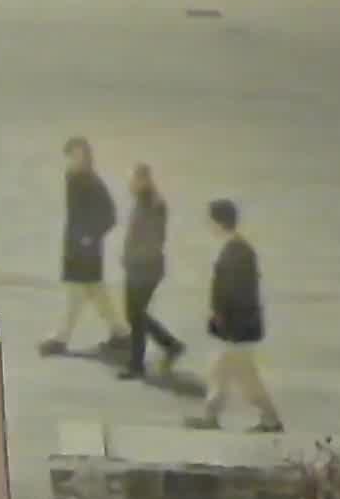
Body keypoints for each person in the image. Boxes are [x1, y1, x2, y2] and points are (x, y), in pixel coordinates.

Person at [187, 197, 282, 433]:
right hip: (237, 327)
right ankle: (212, 417)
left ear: (218, 222)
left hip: (237, 328)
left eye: (209, 221)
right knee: (223, 373)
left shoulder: (237, 251)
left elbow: (237, 293)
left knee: (240, 378)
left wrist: (224, 319)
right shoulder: (237, 248)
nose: (208, 226)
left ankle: (269, 419)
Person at [42, 138, 127, 358]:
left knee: (76, 293)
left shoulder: (93, 183)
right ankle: (121, 333)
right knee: (96, 290)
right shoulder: (72, 177)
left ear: (87, 156)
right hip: (74, 245)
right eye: (72, 155)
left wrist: (91, 236)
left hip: (87, 248)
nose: (75, 159)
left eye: (79, 155)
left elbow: (110, 215)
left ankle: (60, 339)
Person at [119, 162, 185, 381]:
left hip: (144, 269)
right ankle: (170, 344)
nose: (129, 184)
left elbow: (151, 239)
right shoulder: (145, 200)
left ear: (142, 180)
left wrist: (132, 257)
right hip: (140, 267)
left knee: (135, 315)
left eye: (132, 180)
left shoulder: (152, 204)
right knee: (135, 314)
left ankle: (136, 365)